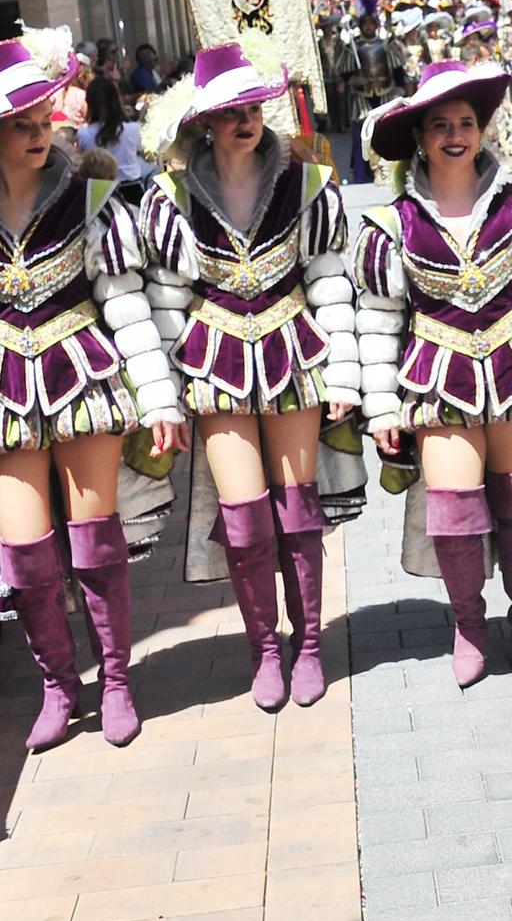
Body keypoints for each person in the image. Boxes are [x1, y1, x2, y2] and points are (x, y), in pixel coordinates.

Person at [0, 30, 181, 750]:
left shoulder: (91, 200)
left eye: (43, 120)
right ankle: (61, 686)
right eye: (20, 125)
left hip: (84, 374)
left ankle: (116, 679)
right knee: (25, 559)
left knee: (94, 545)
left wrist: (157, 397)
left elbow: (126, 307)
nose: (37, 135)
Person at [136, 42, 358, 709]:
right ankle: (265, 648)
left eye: (254, 106)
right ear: (204, 120)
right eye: (230, 110)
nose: (246, 119)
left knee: (296, 511)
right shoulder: (170, 195)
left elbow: (327, 279)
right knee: (245, 520)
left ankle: (310, 643)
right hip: (214, 363)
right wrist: (166, 393)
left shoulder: (307, 181)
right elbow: (166, 301)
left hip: (294, 349)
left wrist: (342, 372)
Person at [352, 60, 512, 685]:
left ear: (482, 131)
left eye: (466, 122)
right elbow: (377, 321)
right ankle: (468, 624)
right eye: (440, 125)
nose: (455, 134)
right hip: (434, 377)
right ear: (420, 138)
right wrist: (379, 408)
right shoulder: (389, 224)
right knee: (453, 514)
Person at [77, 77, 151, 206]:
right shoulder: (133, 129)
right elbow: (145, 154)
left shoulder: (83, 134)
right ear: (117, 101)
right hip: (132, 192)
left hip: (99, 195)